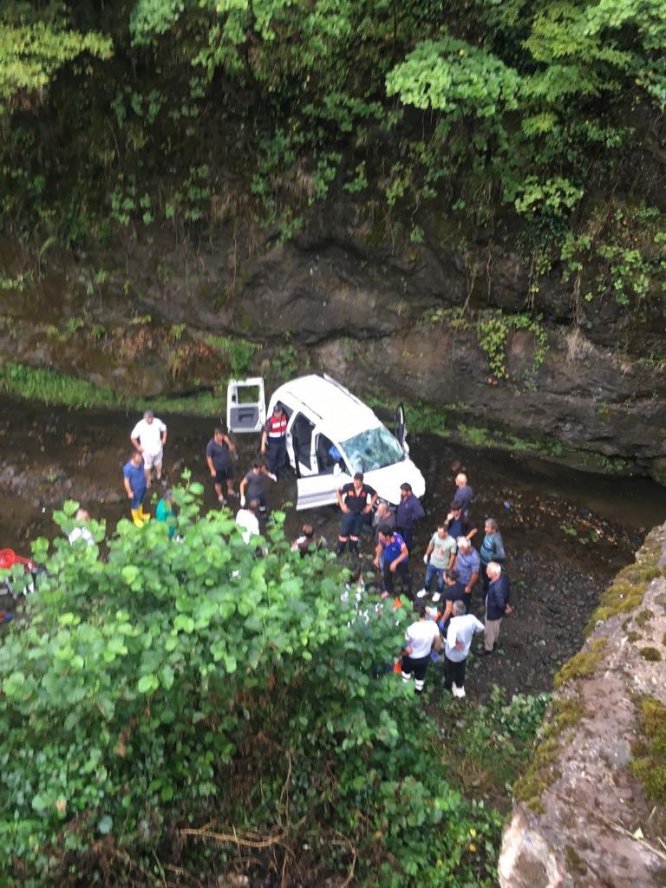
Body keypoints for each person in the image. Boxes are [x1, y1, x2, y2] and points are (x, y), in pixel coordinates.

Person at [444, 600, 484, 698]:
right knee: (461, 670)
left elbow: (450, 643)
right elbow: (481, 627)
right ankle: (460, 687)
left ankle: (449, 685)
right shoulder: (471, 618)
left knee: (449, 671)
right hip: (464, 653)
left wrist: (456, 644)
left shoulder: (453, 625)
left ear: (454, 612)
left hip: (452, 656)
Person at [401, 600, 442, 694]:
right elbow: (437, 645)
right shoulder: (432, 625)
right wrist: (434, 651)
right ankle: (418, 690)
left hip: (410, 657)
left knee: (406, 671)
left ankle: (404, 687)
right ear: (425, 612)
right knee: (420, 674)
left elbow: (405, 644)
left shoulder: (410, 628)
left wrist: (402, 653)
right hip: (424, 656)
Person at [336, 472, 377, 556]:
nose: (356, 485)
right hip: (349, 512)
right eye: (355, 482)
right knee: (344, 530)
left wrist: (370, 506)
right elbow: (338, 493)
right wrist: (342, 505)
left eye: (358, 483)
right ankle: (340, 548)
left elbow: (375, 494)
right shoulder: (348, 486)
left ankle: (353, 547)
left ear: (361, 482)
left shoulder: (366, 488)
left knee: (356, 531)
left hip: (361, 513)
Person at [418, 523, 457, 600]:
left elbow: (453, 556)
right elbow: (431, 544)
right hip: (432, 562)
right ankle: (426, 590)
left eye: (441, 533)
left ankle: (438, 592)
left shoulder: (452, 542)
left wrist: (449, 567)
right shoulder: (435, 535)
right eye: (438, 532)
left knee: (440, 581)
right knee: (427, 578)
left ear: (446, 533)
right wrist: (426, 554)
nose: (438, 534)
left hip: (443, 565)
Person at [130, 409, 167, 488]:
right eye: (148, 418)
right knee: (147, 466)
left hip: (158, 448)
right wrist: (138, 446)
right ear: (145, 418)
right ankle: (148, 480)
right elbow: (133, 437)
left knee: (158, 463)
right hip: (147, 451)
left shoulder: (157, 422)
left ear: (153, 417)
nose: (150, 420)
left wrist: (164, 439)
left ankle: (159, 474)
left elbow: (164, 429)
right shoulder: (140, 425)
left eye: (151, 418)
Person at [374, 524, 412, 600]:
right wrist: (377, 557)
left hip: (401, 562)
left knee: (404, 578)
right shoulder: (382, 539)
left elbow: (405, 553)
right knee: (386, 575)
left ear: (387, 536)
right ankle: (389, 590)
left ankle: (409, 595)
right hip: (387, 559)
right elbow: (380, 546)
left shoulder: (398, 540)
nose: (380, 537)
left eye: (381, 536)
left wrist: (395, 562)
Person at [482, 562, 511, 654]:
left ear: (495, 574)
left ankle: (488, 648)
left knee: (489, 630)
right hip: (497, 612)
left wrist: (505, 607)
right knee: (496, 627)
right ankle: (495, 641)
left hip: (493, 613)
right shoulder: (504, 579)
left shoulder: (497, 588)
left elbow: (500, 602)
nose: (486, 573)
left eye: (488, 571)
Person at [206, 427, 237, 504]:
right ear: (216, 435)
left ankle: (230, 490)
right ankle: (220, 496)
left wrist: (228, 442)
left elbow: (232, 449)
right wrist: (212, 469)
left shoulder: (225, 442)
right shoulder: (211, 445)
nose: (222, 437)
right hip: (218, 467)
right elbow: (209, 458)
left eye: (223, 435)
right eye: (221, 435)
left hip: (227, 465)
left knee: (230, 478)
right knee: (218, 482)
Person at [260, 403, 288, 478]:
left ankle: (279, 471)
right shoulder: (270, 421)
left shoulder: (284, 417)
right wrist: (263, 445)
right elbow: (265, 433)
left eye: (278, 412)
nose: (277, 414)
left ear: (281, 412)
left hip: (282, 442)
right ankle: (272, 472)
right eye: (275, 412)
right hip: (273, 444)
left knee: (281, 457)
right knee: (272, 458)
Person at [396, 482, 425, 552]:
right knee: (400, 539)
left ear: (409, 491)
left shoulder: (414, 502)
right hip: (400, 523)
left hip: (407, 526)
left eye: (403, 491)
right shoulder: (403, 496)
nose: (401, 492)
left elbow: (421, 513)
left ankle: (407, 553)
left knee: (407, 541)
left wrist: (410, 517)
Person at [123, 451, 149, 527]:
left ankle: (140, 514)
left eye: (140, 457)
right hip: (135, 490)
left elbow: (145, 471)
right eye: (138, 458)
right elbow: (126, 481)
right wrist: (129, 492)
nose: (140, 459)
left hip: (143, 486)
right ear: (133, 458)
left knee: (141, 501)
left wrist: (148, 481)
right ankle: (136, 519)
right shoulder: (128, 468)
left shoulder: (141, 463)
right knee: (135, 503)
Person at [479, 518, 506, 591]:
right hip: (483, 562)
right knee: (485, 579)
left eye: (487, 528)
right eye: (485, 527)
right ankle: (484, 590)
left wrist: (491, 556)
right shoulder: (488, 533)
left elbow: (502, 555)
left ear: (493, 529)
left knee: (489, 582)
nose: (485, 529)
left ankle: (487, 596)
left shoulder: (497, 539)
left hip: (489, 565)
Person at [455, 537, 481, 611]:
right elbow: (457, 558)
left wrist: (469, 586)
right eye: (460, 548)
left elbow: (475, 574)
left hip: (465, 581)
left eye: (462, 549)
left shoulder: (474, 557)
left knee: (465, 597)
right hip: (457, 577)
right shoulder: (461, 550)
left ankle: (465, 610)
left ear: (468, 547)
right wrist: (453, 569)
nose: (461, 551)